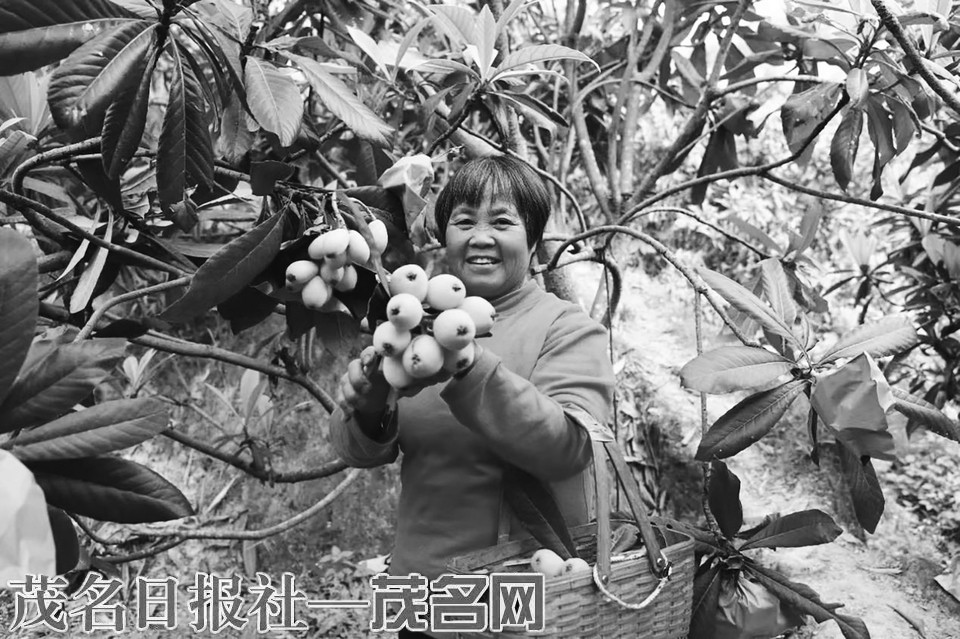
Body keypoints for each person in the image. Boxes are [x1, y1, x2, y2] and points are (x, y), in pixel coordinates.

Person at [330, 154, 615, 637]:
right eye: (464, 222)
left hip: (521, 606)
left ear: (533, 238)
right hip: (422, 599)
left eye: (502, 222)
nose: (480, 236)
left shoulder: (567, 329)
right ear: (446, 237)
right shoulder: (413, 320)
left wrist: (467, 363)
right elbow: (356, 451)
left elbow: (569, 449)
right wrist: (369, 405)